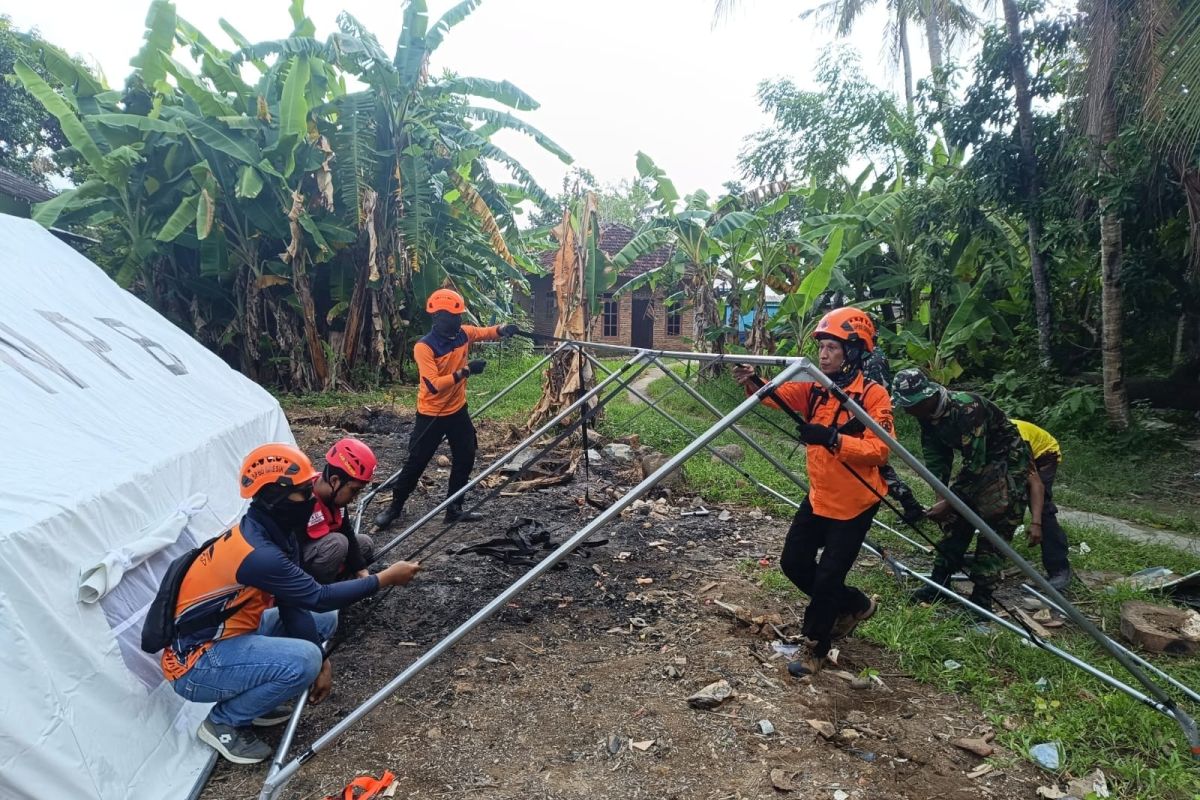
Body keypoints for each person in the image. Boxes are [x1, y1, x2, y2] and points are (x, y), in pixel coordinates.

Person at [162, 443, 421, 765]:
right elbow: (318, 595)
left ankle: (258, 697)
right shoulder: (258, 552)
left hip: (229, 638)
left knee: (322, 623)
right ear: (275, 498)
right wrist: (384, 578)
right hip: (194, 665)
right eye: (301, 493)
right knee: (304, 658)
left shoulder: (274, 534)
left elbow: (294, 603)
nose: (310, 497)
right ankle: (225, 721)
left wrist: (324, 661)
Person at [733, 307, 893, 678]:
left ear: (853, 351)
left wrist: (834, 438)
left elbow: (880, 450)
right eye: (821, 346)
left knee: (826, 579)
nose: (823, 354)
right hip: (820, 495)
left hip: (855, 503)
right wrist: (755, 381)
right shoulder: (818, 389)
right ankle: (855, 604)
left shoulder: (872, 395)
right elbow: (780, 397)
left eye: (832, 347)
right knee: (793, 563)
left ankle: (815, 645)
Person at [892, 370, 1044, 612]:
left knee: (994, 528)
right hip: (978, 465)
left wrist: (952, 501)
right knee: (956, 522)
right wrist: (942, 497)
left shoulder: (967, 408)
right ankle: (939, 583)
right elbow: (937, 459)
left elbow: (976, 462)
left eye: (911, 405)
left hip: (1007, 466)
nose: (907, 412)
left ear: (927, 397)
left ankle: (981, 601)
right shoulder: (926, 415)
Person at [374, 288, 519, 529]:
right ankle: (395, 507)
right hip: (431, 414)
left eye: (460, 316)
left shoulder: (462, 334)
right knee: (416, 462)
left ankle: (454, 508)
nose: (459, 320)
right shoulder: (425, 347)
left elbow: (485, 332)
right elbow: (433, 386)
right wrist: (466, 371)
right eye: (454, 316)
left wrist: (503, 329)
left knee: (466, 455)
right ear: (438, 317)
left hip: (457, 411)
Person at [861, 332, 925, 523]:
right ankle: (911, 505)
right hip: (862, 417)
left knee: (878, 466)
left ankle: (911, 506)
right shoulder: (866, 355)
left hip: (871, 418)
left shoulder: (873, 359)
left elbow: (876, 390)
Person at [301, 438, 378, 584]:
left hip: (324, 552)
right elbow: (287, 551)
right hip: (297, 565)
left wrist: (361, 569)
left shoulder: (335, 498)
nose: (355, 498)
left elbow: (346, 530)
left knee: (365, 544)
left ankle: (340, 580)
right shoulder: (302, 500)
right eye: (354, 491)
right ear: (334, 480)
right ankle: (325, 594)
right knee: (338, 543)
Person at [1013, 419, 1072, 590]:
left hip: (1043, 453)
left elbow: (1036, 485)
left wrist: (1036, 523)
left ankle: (1059, 568)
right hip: (1018, 452)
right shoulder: (977, 437)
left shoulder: (1015, 440)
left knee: (1041, 507)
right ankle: (991, 553)